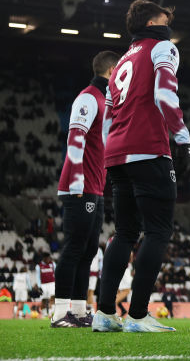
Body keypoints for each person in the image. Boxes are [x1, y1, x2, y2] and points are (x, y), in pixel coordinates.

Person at [93, 0, 190, 333]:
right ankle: (137, 315)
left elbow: (108, 112)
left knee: (124, 232)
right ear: (152, 22)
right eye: (166, 17)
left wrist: (111, 150)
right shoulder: (162, 47)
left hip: (116, 153)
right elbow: (165, 93)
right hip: (148, 149)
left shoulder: (120, 62)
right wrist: (182, 137)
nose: (170, 23)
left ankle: (104, 313)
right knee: (158, 231)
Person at [52, 51, 119, 328]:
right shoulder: (89, 97)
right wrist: (77, 181)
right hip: (80, 186)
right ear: (113, 70)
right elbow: (76, 136)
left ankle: (79, 312)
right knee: (74, 248)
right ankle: (58, 313)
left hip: (95, 186)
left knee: (89, 249)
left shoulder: (105, 101)